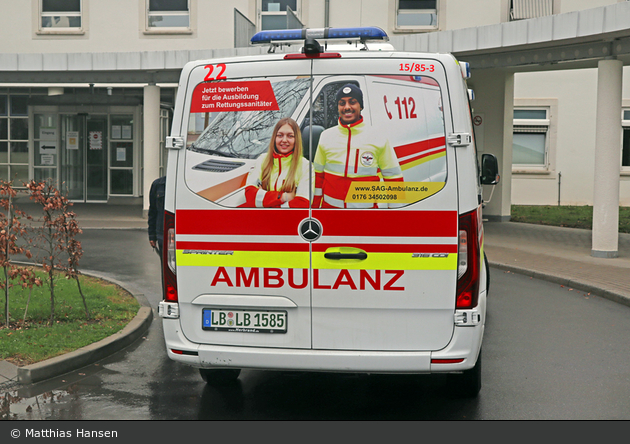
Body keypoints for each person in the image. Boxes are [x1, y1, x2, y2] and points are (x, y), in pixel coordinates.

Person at [312, 83, 404, 209]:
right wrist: (315, 209)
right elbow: (318, 177)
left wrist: (395, 214)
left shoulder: (378, 137)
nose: (347, 107)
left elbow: (393, 178)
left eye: (352, 102)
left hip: (365, 217)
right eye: (342, 103)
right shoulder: (326, 136)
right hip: (330, 215)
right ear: (338, 107)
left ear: (361, 106)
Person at [242, 117, 312, 208]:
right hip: (262, 220)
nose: (284, 140)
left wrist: (264, 198)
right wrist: (284, 197)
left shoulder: (305, 166)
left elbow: (302, 204)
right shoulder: (262, 159)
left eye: (290, 136)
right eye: (280, 135)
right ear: (274, 138)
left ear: (296, 139)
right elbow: (250, 196)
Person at [148, 175, 166, 259]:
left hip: (184, 233)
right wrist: (152, 235)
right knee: (166, 267)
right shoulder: (158, 185)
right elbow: (153, 211)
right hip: (162, 233)